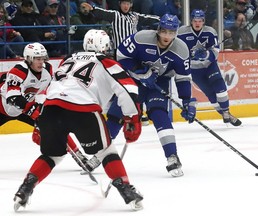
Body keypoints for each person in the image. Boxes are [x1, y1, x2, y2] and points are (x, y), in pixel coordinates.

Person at [13, 29, 143, 212]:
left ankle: (25, 188)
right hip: (83, 109)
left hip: (51, 109)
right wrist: (132, 117)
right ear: (104, 46)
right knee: (107, 152)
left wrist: (39, 122)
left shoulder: (68, 60)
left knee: (53, 154)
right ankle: (127, 191)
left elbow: (48, 90)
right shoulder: (105, 61)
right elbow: (127, 87)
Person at [106, 14, 195, 177]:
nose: (167, 36)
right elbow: (121, 55)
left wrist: (187, 100)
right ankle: (100, 153)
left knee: (159, 114)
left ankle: (172, 156)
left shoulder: (181, 49)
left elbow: (183, 77)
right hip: (134, 80)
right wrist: (139, 72)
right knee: (117, 112)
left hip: (158, 83)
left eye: (171, 32)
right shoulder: (141, 38)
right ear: (159, 29)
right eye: (165, 31)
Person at [0, 42, 92, 171]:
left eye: (43, 58)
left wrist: (41, 115)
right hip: (2, 108)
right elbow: (12, 97)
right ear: (28, 59)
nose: (41, 62)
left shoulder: (47, 70)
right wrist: (33, 112)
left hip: (23, 108)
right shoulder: (19, 70)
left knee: (56, 127)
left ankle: (79, 157)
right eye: (37, 59)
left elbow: (48, 92)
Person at [178, 9, 242, 127]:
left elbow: (215, 51)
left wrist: (205, 55)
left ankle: (226, 111)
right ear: (191, 21)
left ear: (203, 21)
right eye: (195, 20)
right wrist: (188, 55)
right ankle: (225, 114)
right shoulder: (181, 32)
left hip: (209, 66)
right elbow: (176, 49)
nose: (197, 23)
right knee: (210, 94)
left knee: (219, 86)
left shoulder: (210, 32)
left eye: (200, 21)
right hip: (194, 70)